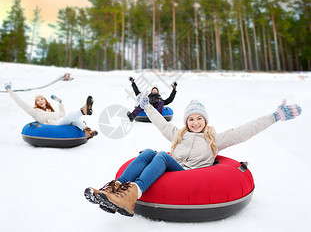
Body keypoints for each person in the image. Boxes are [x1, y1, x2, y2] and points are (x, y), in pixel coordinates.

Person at [84, 95, 302, 217]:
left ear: (205, 120)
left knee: (160, 155)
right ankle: (113, 190)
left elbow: (245, 131)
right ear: (186, 121)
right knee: (150, 151)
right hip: (169, 169)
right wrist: (147, 106)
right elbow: (160, 122)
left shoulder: (214, 140)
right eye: (191, 119)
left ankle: (134, 193)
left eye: (199, 118)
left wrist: (274, 117)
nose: (195, 122)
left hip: (187, 175)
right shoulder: (178, 135)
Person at [4, 82, 98, 139]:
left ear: (45, 100)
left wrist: (60, 102)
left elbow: (62, 113)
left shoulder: (50, 111)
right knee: (70, 116)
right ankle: (82, 111)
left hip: (61, 124)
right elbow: (20, 102)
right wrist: (9, 89)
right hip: (56, 128)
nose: (40, 101)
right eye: (37, 100)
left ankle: (87, 131)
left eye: (42, 99)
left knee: (73, 118)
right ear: (36, 103)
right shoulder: (35, 111)